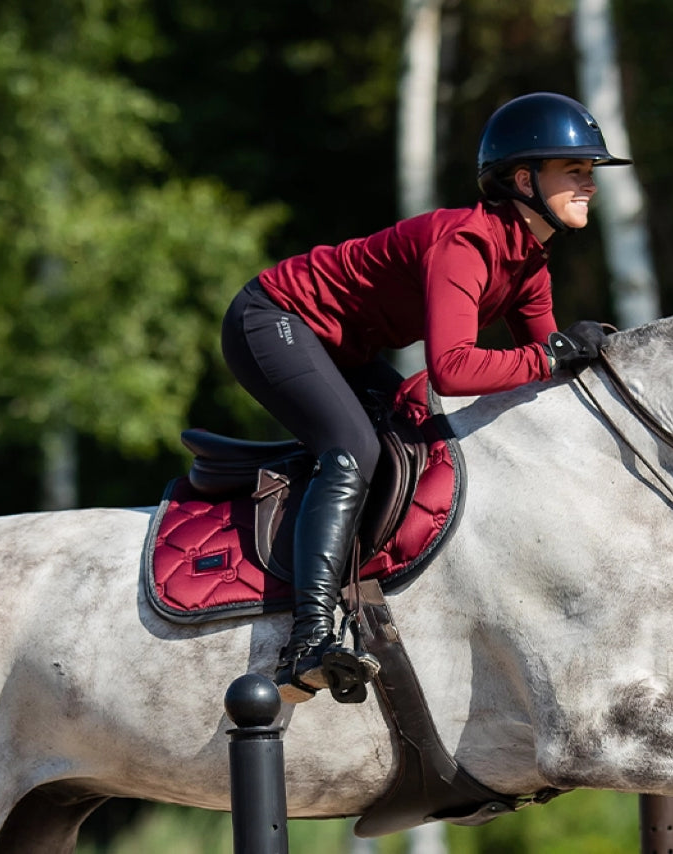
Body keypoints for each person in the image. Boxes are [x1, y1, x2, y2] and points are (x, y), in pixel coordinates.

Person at [220, 92, 631, 704]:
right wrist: (552, 354)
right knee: (353, 448)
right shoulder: (466, 243)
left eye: (591, 172)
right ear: (524, 179)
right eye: (575, 170)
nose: (589, 184)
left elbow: (545, 371)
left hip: (343, 348)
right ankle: (306, 642)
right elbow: (453, 369)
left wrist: (597, 363)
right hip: (272, 318)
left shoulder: (529, 266)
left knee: (420, 444)